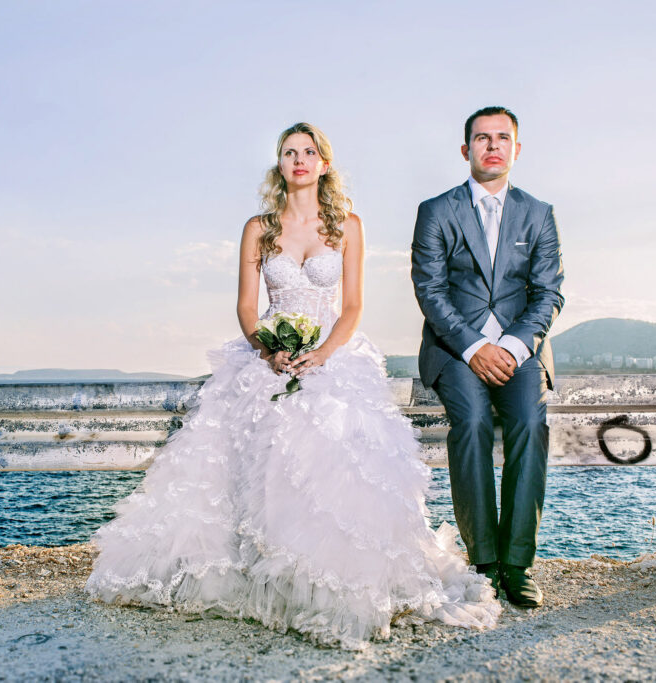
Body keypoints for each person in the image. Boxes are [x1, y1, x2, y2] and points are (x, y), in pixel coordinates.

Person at [85, 122, 500, 650]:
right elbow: (245, 306)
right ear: (279, 165)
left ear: (324, 164)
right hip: (270, 356)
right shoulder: (258, 228)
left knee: (334, 451)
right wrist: (269, 350)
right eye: (289, 152)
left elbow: (351, 308)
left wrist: (323, 354)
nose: (299, 160)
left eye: (309, 152)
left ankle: (327, 577)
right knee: (252, 451)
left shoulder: (347, 226)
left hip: (332, 357)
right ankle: (259, 570)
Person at [411, 107, 564, 608]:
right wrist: (475, 348)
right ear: (466, 150)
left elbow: (548, 293)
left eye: (503, 138)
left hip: (522, 349)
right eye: (482, 138)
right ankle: (482, 563)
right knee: (473, 420)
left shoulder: (538, 213)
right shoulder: (436, 210)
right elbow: (430, 291)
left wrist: (516, 347)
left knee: (528, 420)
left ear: (516, 150)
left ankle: (517, 564)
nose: (492, 145)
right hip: (455, 348)